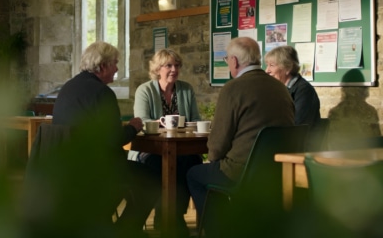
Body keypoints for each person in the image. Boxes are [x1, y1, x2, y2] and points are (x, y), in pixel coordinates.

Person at [50, 41, 159, 238]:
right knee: (152, 179)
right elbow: (113, 139)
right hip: (97, 168)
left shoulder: (68, 87)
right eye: (115, 63)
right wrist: (133, 127)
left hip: (67, 167)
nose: (117, 68)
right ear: (102, 66)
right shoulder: (102, 93)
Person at [186, 37, 294, 228]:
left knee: (194, 174)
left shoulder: (233, 89)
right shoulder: (281, 88)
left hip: (240, 172)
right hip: (276, 170)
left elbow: (217, 145)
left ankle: (217, 232)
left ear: (234, 61)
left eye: (227, 59)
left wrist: (213, 158)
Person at [129, 48, 202, 237]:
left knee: (192, 163)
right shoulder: (145, 90)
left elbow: (195, 119)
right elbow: (142, 121)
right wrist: (166, 124)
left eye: (176, 65)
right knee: (157, 165)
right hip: (152, 148)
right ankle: (166, 218)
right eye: (168, 65)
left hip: (181, 148)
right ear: (157, 68)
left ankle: (174, 216)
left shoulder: (186, 89)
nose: (173, 69)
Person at [265, 45, 321, 128]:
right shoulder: (277, 89)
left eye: (272, 65)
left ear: (288, 68)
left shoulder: (303, 90)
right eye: (267, 65)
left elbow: (298, 124)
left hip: (299, 139)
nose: (267, 71)